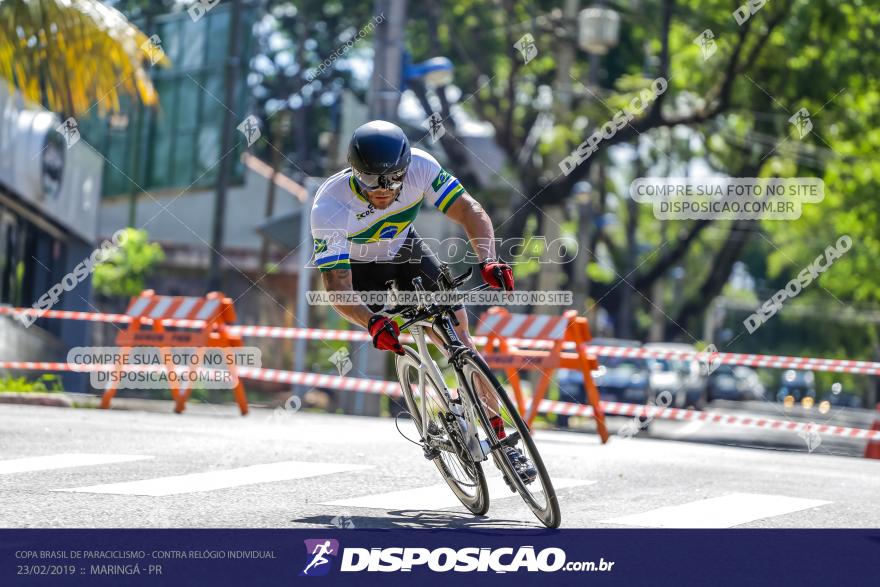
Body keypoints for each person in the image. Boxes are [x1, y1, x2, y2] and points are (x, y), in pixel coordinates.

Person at [310, 120, 536, 482]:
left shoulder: (422, 165)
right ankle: (436, 403)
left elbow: (468, 210)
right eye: (370, 180)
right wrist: (371, 320)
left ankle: (503, 439)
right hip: (360, 271)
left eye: (393, 180)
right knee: (399, 324)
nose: (383, 191)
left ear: (406, 169)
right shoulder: (329, 204)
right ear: (353, 172)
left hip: (405, 251)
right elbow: (336, 283)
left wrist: (489, 258)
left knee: (460, 339)